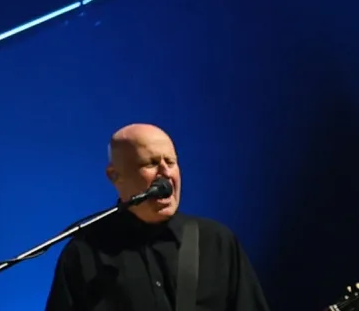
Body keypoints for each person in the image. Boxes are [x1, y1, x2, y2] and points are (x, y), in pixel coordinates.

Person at [45, 124, 270, 311]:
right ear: (115, 176)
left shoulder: (217, 242)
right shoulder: (85, 254)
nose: (166, 174)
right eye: (151, 163)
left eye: (171, 162)